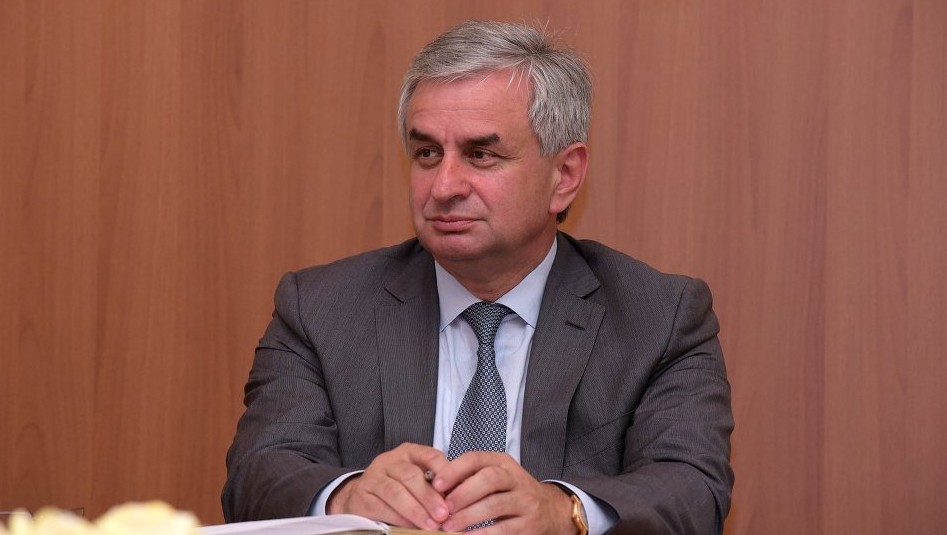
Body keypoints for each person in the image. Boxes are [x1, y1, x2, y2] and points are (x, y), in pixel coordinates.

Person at [222, 20, 734, 535]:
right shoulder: (320, 309)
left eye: (480, 155)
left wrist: (564, 512)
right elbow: (256, 475)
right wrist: (346, 497)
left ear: (565, 176)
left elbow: (693, 489)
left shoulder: (658, 318)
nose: (444, 186)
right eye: (427, 154)